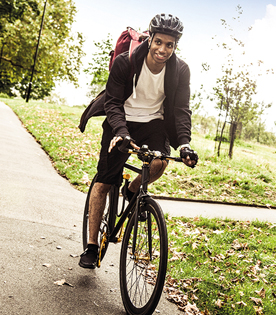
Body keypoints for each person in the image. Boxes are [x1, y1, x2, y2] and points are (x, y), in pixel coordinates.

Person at [78, 13, 198, 269]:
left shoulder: (180, 70)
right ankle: (90, 246)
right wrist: (120, 132)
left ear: (175, 46)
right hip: (120, 120)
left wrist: (185, 143)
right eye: (159, 42)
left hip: (154, 123)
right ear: (150, 39)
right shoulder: (127, 62)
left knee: (159, 163)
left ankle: (131, 191)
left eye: (170, 45)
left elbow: (181, 110)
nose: (163, 50)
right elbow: (112, 101)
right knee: (104, 180)